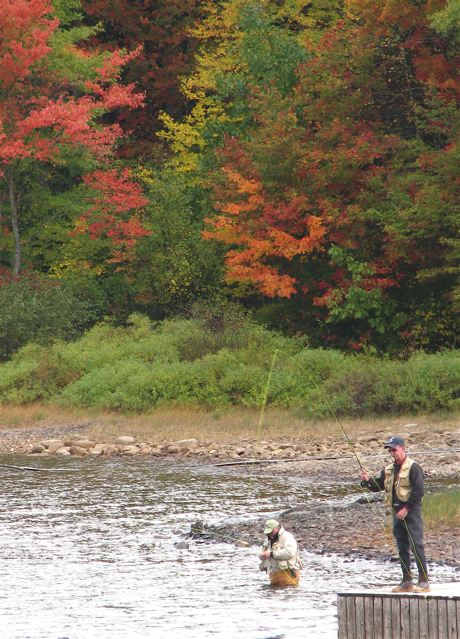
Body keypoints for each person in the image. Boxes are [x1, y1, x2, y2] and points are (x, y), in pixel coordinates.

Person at [359, 435, 430, 593]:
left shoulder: (414, 467)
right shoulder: (388, 469)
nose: (392, 453)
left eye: (394, 449)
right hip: (396, 513)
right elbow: (378, 486)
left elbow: (419, 492)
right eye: (390, 450)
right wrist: (367, 480)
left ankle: (424, 582)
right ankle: (406, 582)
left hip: (411, 513)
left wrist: (406, 509)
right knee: (401, 547)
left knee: (416, 545)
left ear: (403, 449)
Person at [259, 519, 302, 586]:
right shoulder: (268, 540)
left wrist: (270, 554)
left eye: (271, 531)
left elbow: (289, 552)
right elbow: (263, 552)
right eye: (268, 532)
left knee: (288, 591)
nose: (269, 534)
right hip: (274, 576)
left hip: (289, 575)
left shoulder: (288, 537)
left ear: (278, 528)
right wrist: (262, 556)